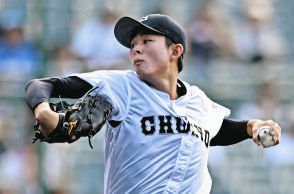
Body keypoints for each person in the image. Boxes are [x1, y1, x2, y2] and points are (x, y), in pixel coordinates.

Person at [25, 14, 281, 194]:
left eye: (147, 41)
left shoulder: (199, 102)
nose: (136, 49)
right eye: (133, 45)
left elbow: (216, 130)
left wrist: (251, 127)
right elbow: (40, 85)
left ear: (175, 51)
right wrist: (44, 110)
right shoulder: (120, 86)